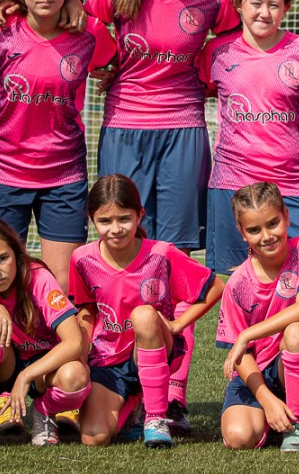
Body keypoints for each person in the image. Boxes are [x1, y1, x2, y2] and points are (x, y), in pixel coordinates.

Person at [83, 0, 238, 251]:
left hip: (183, 127)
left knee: (174, 246)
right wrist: (107, 59)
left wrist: (208, 77)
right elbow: (81, 22)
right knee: (123, 238)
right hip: (125, 125)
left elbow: (234, 44)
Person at [0, 0, 116, 286]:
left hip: (63, 175)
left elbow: (120, 63)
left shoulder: (89, 32)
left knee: (60, 286)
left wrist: (111, 74)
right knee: (2, 283)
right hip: (4, 172)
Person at [65, 175, 218, 448]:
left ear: (140, 215)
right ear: (92, 219)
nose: (116, 229)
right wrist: (80, 354)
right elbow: (86, 309)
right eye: (105, 221)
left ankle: (155, 418)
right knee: (94, 437)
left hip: (155, 346)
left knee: (144, 315)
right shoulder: (82, 259)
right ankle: (134, 406)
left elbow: (215, 287)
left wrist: (176, 325)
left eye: (124, 219)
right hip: (108, 358)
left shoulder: (161, 254)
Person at [197, 0, 299, 279]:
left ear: (287, 6)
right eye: (256, 4)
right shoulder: (217, 52)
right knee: (235, 281)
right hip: (232, 184)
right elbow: (182, 91)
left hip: (291, 186)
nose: (264, 13)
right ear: (239, 4)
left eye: (274, 5)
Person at [0, 218, 90, 448]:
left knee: (75, 376)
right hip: (6, 366)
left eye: (2, 258)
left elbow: (74, 342)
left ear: (16, 253)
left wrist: (26, 376)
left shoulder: (38, 277)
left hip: (45, 370)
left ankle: (44, 411)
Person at [216, 183, 299, 452]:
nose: (266, 236)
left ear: (286, 216)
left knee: (298, 332)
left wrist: (247, 334)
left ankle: (297, 426)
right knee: (239, 438)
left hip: (296, 357)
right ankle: (272, 413)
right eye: (254, 230)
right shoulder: (238, 284)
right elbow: (241, 356)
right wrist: (266, 400)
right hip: (255, 374)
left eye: (273, 224)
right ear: (242, 233)